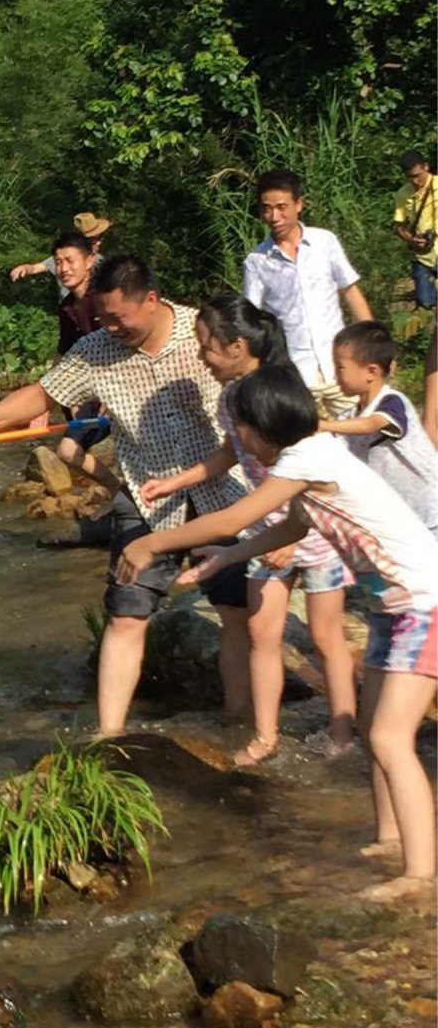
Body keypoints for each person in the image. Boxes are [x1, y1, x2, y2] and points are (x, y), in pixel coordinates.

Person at [115, 365, 437, 904]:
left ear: (262, 426)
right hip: (393, 606)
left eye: (238, 428)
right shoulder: (311, 458)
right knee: (377, 728)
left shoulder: (307, 457)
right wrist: (230, 557)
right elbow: (293, 526)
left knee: (388, 737)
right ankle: (390, 838)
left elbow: (230, 516)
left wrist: (151, 543)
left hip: (422, 605)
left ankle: (421, 875)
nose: (236, 440)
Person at [0, 254, 250, 740]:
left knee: (237, 614)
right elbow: (44, 393)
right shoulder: (95, 349)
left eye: (119, 317)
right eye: (102, 317)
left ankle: (238, 722)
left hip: (217, 492)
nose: (110, 327)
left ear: (152, 300)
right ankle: (109, 734)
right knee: (126, 613)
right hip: (144, 495)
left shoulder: (200, 337)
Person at [138, 294, 356, 767]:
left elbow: (310, 471)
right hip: (264, 527)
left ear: (236, 347)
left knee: (325, 637)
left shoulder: (278, 391)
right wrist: (176, 481)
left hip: (310, 530)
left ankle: (342, 732)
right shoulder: (230, 398)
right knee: (260, 631)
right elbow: (230, 454)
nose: (201, 357)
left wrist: (292, 537)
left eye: (206, 347)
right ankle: (264, 736)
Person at [243, 168, 373, 418]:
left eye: (282, 207)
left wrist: (374, 343)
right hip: (297, 374)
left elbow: (350, 290)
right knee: (310, 444)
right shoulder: (257, 261)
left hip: (340, 366)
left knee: (361, 438)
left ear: (298, 204)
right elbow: (253, 319)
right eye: (267, 209)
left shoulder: (325, 242)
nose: (274, 216)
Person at [321, 322, 437, 534]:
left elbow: (371, 424)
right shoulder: (348, 417)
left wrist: (322, 425)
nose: (334, 375)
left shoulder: (392, 402)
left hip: (428, 509)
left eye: (340, 367)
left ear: (371, 372)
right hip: (400, 518)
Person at [393, 150, 438, 446]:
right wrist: (414, 239)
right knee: (426, 311)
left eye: (418, 175)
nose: (416, 181)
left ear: (426, 168)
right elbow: (399, 226)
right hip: (424, 261)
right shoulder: (403, 195)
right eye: (410, 177)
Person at [10, 211, 111, 299]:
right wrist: (25, 268)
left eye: (100, 238)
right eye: (94, 240)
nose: (98, 243)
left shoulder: (101, 262)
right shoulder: (63, 258)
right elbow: (36, 267)